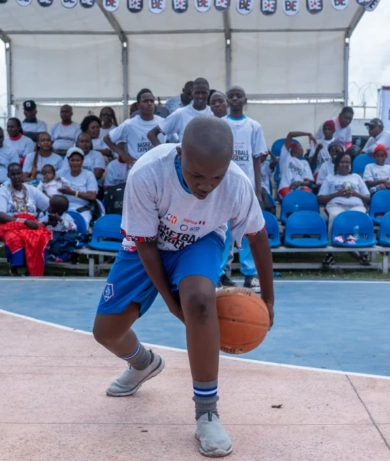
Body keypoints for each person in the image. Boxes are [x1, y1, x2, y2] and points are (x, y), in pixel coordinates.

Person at [92, 116, 274, 458]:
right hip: (147, 245)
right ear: (180, 153)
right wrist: (170, 302)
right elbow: (146, 245)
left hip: (200, 240)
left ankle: (207, 412)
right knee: (106, 332)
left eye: (216, 177)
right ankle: (143, 363)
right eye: (197, 175)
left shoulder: (236, 183)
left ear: (228, 164)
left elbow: (258, 237)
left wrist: (269, 299)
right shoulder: (148, 173)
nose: (207, 186)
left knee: (201, 302)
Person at [219, 85, 268, 292]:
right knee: (223, 232)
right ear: (227, 101)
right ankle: (220, 274)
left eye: (239, 96)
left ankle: (250, 275)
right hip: (223, 187)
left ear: (245, 100)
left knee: (249, 230)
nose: (235, 99)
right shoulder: (220, 124)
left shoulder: (254, 126)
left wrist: (258, 190)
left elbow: (256, 159)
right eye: (231, 96)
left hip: (246, 187)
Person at [0, 163, 52, 277]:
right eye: (13, 174)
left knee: (40, 236)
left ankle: (34, 268)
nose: (16, 177)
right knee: (14, 238)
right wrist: (23, 221)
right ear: (8, 175)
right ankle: (15, 269)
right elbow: (0, 215)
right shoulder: (3, 191)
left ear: (22, 174)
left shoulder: (31, 189)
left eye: (18, 174)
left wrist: (48, 217)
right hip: (10, 224)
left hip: (31, 223)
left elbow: (49, 206)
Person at [317, 153, 371, 267]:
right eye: (342, 162)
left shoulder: (356, 177)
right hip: (336, 205)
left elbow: (367, 197)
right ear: (337, 164)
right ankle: (330, 253)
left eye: (347, 162)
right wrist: (338, 194)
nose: (345, 164)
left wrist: (354, 193)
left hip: (356, 205)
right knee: (335, 216)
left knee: (361, 217)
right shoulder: (330, 178)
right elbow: (320, 198)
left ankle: (364, 253)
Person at [105, 88, 165, 164]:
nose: (149, 104)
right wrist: (122, 154)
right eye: (145, 101)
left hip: (159, 166)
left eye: (152, 101)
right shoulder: (129, 124)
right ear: (138, 105)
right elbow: (107, 139)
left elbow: (175, 141)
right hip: (138, 167)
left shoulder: (163, 122)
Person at [148, 78, 212, 146]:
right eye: (197, 93)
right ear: (192, 92)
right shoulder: (180, 113)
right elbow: (152, 134)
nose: (200, 96)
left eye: (204, 93)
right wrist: (162, 150)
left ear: (209, 93)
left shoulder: (213, 113)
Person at [58, 148, 99, 224]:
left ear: (82, 162)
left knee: (81, 224)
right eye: (72, 160)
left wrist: (72, 192)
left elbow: (92, 196)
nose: (75, 163)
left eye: (78, 160)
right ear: (68, 162)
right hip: (63, 207)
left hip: (82, 209)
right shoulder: (61, 173)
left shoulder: (89, 175)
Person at [361, 118, 390, 191]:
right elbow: (363, 153)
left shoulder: (387, 135)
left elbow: (375, 148)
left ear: (380, 128)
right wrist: (369, 151)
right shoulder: (372, 139)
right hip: (381, 178)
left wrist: (371, 151)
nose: (370, 129)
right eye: (369, 127)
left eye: (372, 127)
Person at [40, 195, 80, 262]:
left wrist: (60, 220)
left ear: (58, 210)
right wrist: (48, 223)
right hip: (54, 236)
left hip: (65, 236)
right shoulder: (47, 216)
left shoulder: (67, 217)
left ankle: (66, 255)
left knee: (71, 238)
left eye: (51, 206)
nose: (48, 207)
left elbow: (73, 227)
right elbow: (39, 224)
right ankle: (56, 256)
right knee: (52, 240)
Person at [278, 132, 315, 199]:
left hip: (301, 186)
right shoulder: (286, 157)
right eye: (300, 146)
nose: (302, 149)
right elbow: (290, 134)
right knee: (292, 198)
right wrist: (307, 134)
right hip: (286, 186)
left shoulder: (304, 163)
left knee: (309, 198)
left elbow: (308, 182)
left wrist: (299, 183)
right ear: (293, 149)